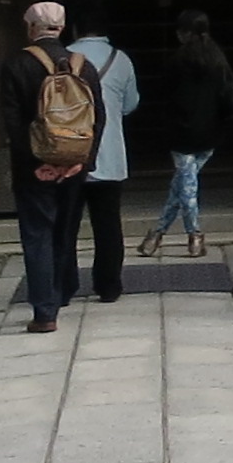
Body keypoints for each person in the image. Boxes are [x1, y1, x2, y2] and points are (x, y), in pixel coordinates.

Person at [0, 0, 101, 333]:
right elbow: (98, 118)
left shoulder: (16, 65)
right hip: (74, 166)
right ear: (62, 27)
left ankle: (45, 312)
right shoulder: (83, 66)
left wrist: (38, 163)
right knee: (65, 231)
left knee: (38, 235)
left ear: (31, 28)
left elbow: (13, 123)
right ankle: (62, 291)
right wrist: (80, 161)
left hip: (34, 169)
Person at [138, 7, 233, 261]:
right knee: (185, 183)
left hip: (181, 132)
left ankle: (193, 234)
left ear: (185, 33)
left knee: (185, 185)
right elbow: (226, 96)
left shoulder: (176, 61)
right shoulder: (218, 58)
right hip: (211, 131)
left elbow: (164, 93)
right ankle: (156, 236)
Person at [68, 18, 141, 303]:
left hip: (69, 152)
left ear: (75, 27)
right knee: (108, 225)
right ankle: (109, 286)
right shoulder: (120, 60)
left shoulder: (64, 57)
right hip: (109, 153)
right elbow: (130, 104)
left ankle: (64, 285)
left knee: (66, 225)